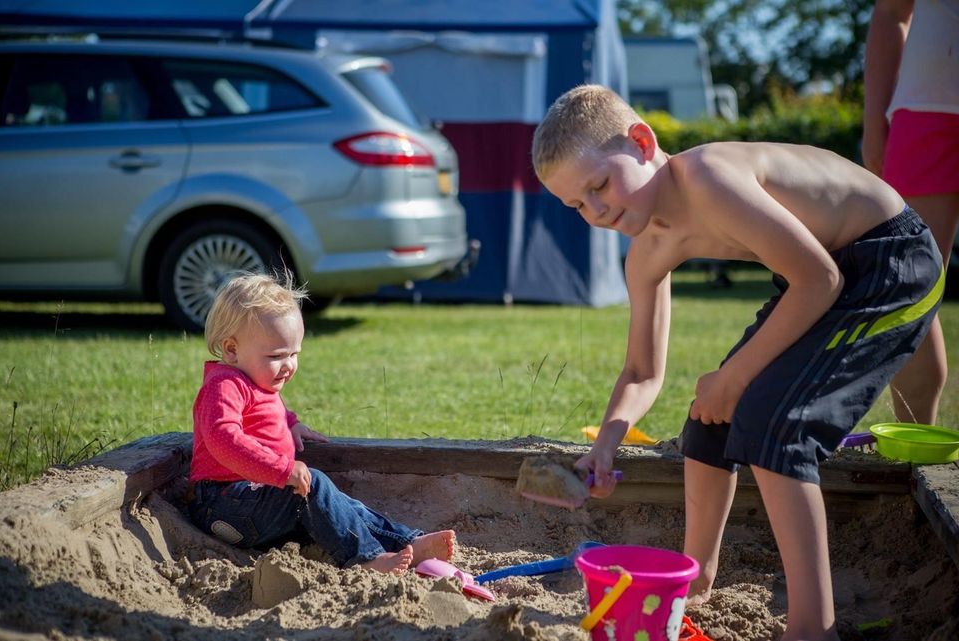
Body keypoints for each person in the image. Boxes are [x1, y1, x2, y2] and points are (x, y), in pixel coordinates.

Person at [531, 85, 943, 641]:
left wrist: (735, 375)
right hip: (817, 273)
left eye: (599, 185)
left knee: (777, 428)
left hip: (889, 261)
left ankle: (813, 628)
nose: (596, 210)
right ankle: (696, 579)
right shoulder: (647, 251)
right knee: (708, 422)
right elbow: (642, 371)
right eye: (577, 205)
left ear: (642, 142)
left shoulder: (708, 178)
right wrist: (606, 442)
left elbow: (820, 280)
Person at [187, 272, 455, 574]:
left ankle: (405, 542)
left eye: (294, 354)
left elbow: (264, 410)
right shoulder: (223, 385)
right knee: (314, 486)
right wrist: (282, 469)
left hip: (253, 501)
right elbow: (222, 438)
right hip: (223, 506)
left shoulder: (254, 379)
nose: (289, 365)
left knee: (338, 503)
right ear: (232, 350)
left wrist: (290, 424)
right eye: (276, 355)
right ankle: (366, 558)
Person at [862, 0, 959, 424]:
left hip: (926, 107)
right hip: (925, 109)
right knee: (908, 288)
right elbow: (891, 13)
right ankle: (916, 443)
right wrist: (874, 123)